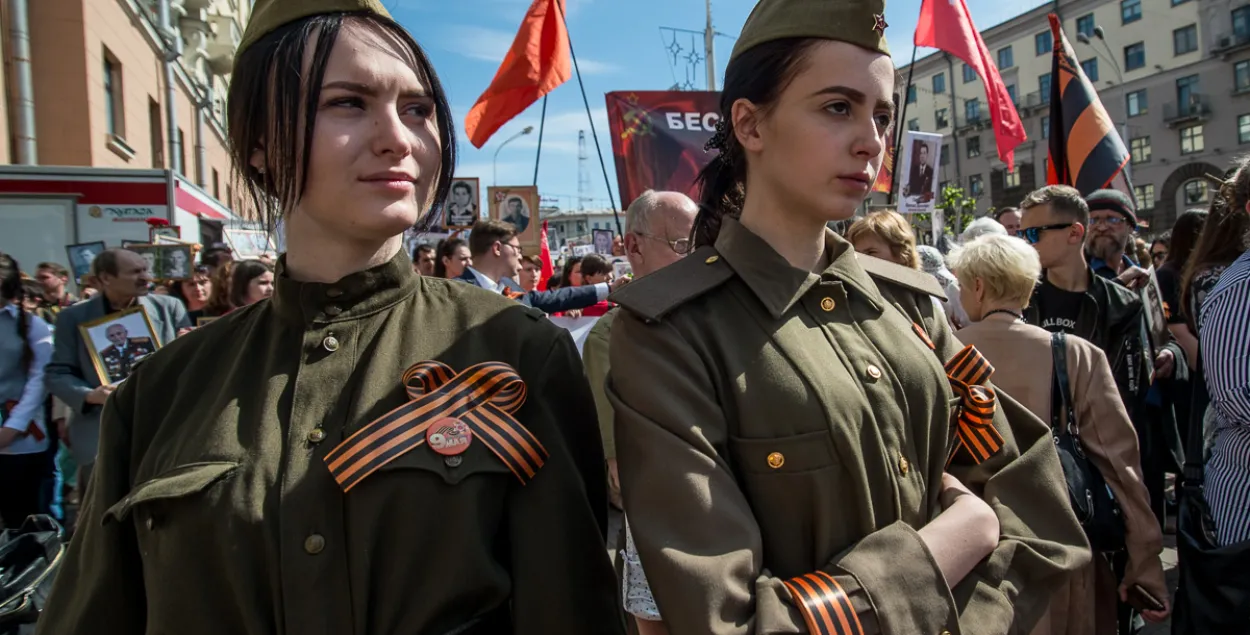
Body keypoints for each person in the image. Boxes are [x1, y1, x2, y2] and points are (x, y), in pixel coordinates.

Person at [34, 2, 624, 632]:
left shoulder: (516, 352)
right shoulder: (160, 393)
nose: (398, 136)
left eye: (418, 110)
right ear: (259, 141)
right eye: (348, 102)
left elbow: (570, 608)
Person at [605, 1, 1088, 632]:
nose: (872, 141)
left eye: (881, 114)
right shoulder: (670, 334)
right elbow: (725, 622)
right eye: (838, 107)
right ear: (750, 125)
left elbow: (1033, 507)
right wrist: (955, 540)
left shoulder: (912, 306)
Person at [947, 234, 1169, 634]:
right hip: (1062, 544)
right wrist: (1145, 562)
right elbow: (1121, 466)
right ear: (1028, 287)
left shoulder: (940, 353)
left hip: (970, 553)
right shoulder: (1076, 354)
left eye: (962, 285)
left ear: (978, 286)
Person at [580, 189, 698, 634]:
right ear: (634, 247)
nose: (696, 258)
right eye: (683, 246)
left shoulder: (719, 318)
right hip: (664, 524)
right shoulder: (613, 335)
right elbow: (619, 475)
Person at [44, 249, 188, 496]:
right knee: (102, 517)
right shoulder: (73, 317)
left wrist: (190, 346)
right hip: (101, 433)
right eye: (135, 272)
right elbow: (57, 373)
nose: (146, 277)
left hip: (161, 432)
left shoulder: (169, 308)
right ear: (106, 278)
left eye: (145, 269)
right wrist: (90, 395)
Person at [0, 252, 54, 528]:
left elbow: (40, 379)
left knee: (20, 518)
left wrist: (13, 426)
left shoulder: (32, 325)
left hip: (19, 438)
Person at [456, 219, 614, 314]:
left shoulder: (510, 288)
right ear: (497, 248)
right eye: (517, 249)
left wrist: (609, 288)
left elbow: (556, 298)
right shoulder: (455, 292)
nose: (519, 255)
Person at [845, 209, 921, 268]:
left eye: (871, 252)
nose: (859, 259)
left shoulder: (921, 286)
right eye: (857, 253)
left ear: (903, 254)